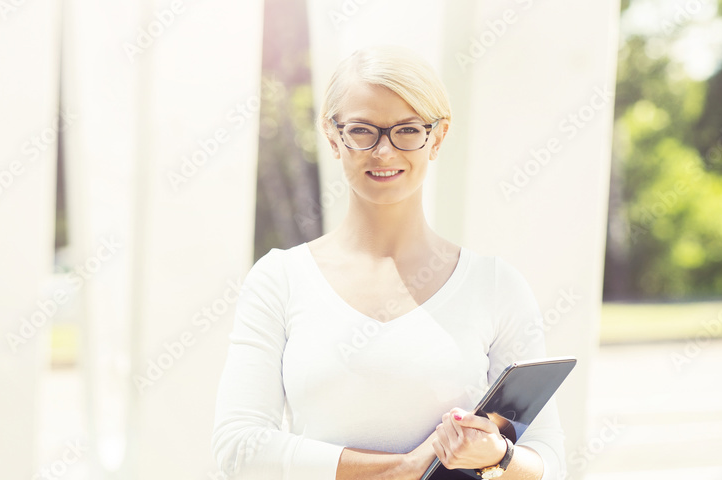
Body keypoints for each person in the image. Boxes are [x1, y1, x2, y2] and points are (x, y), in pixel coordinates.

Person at [212, 45, 565, 480]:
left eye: (408, 130)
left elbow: (549, 464)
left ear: (437, 137)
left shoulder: (495, 286)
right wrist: (402, 469)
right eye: (362, 131)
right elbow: (237, 449)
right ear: (331, 135)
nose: (383, 152)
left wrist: (498, 454)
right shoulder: (280, 280)